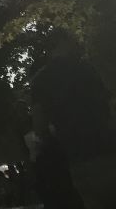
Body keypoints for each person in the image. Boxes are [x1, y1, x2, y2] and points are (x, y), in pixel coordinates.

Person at [32, 45, 116, 209]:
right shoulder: (87, 68)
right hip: (107, 148)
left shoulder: (42, 80)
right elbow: (110, 106)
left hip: (77, 156)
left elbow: (39, 125)